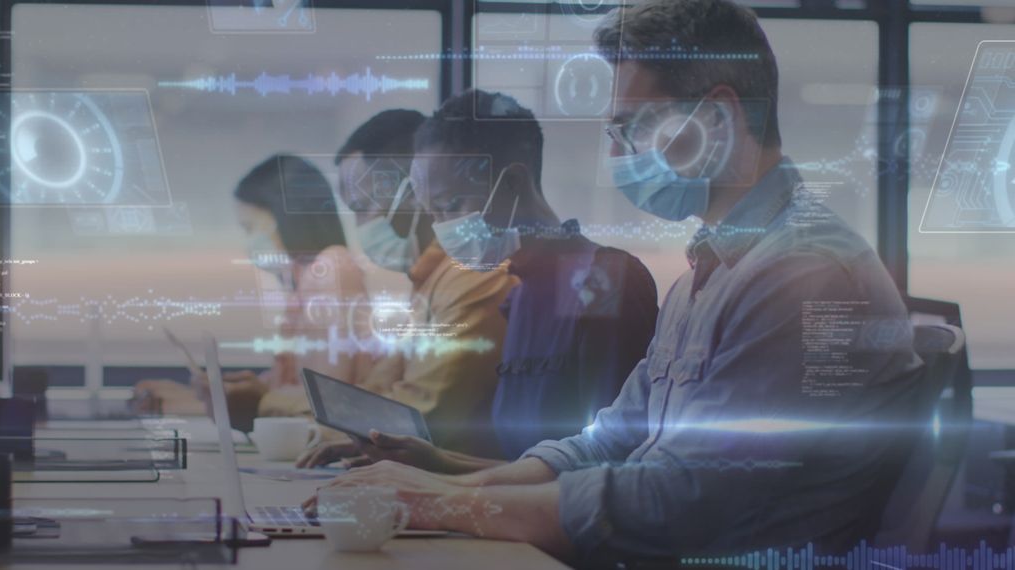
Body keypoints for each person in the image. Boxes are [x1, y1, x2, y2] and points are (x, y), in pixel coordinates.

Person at [310, 0, 927, 565]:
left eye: (630, 128)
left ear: (717, 117)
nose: (616, 154)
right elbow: (606, 441)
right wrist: (440, 483)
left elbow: (681, 500)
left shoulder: (802, 274)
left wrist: (441, 502)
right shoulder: (707, 275)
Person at [305, 91, 660, 473]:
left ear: (513, 183)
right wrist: (422, 461)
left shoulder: (603, 281)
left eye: (452, 206)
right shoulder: (519, 294)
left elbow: (601, 469)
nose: (443, 229)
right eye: (433, 214)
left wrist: (445, 473)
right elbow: (521, 464)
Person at [262, 109, 515, 459]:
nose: (360, 227)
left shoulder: (474, 275)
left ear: (414, 192)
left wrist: (268, 404)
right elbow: (374, 395)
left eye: (363, 207)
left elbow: (416, 417)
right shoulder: (427, 281)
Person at [135, 154, 370, 431]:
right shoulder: (304, 284)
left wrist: (201, 403)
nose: (249, 243)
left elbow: (326, 402)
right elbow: (291, 395)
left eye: (250, 228)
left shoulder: (332, 268)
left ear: (284, 216)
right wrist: (196, 397)